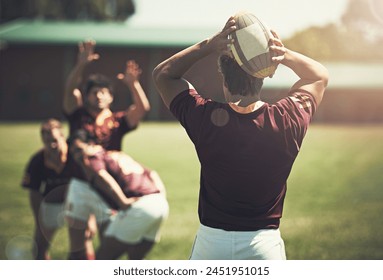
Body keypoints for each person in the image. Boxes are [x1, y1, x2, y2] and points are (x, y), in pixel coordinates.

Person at [152, 16, 329, 260]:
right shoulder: (286, 118)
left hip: (211, 245)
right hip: (263, 245)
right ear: (263, 77)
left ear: (224, 80)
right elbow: (319, 76)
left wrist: (209, 45)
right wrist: (282, 54)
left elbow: (163, 75)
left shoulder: (204, 117)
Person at [65, 131, 169, 260]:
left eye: (79, 149)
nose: (77, 156)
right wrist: (161, 197)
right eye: (74, 152)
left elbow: (102, 176)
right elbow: (152, 173)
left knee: (102, 260)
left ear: (91, 145)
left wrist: (122, 202)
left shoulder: (93, 157)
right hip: (159, 205)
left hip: (140, 207)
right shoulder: (115, 154)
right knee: (135, 261)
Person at [21, 119, 97, 260]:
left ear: (63, 137)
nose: (52, 145)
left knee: (82, 246)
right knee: (39, 247)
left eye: (55, 140)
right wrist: (39, 221)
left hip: (77, 206)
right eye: (47, 141)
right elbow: (34, 193)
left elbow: (89, 189)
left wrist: (91, 220)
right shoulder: (37, 161)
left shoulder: (76, 157)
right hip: (51, 203)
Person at [63, 39, 150, 151]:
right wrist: (80, 65)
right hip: (80, 167)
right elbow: (70, 90)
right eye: (94, 93)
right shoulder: (78, 115)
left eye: (103, 93)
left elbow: (142, 109)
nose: (99, 96)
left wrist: (134, 85)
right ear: (87, 96)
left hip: (108, 168)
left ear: (111, 98)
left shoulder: (118, 121)